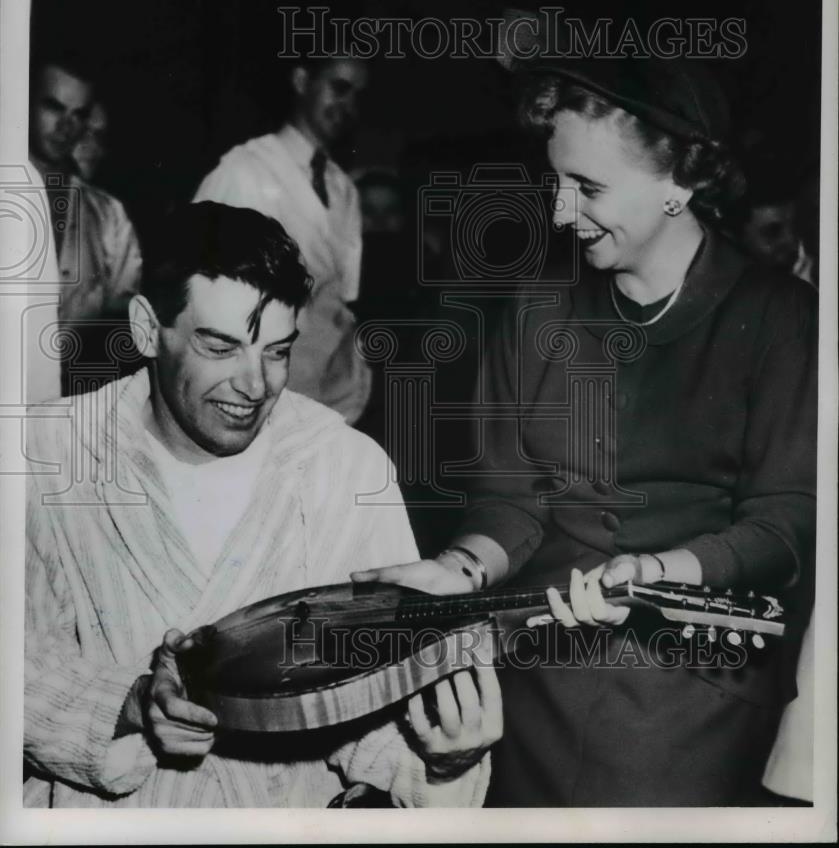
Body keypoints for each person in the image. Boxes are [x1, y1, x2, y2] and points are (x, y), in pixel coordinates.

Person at [354, 55, 817, 806]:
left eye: (589, 188)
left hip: (693, 684)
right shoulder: (538, 306)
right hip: (535, 664)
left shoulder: (779, 319)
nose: (562, 212)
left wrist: (657, 571)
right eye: (556, 183)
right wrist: (461, 568)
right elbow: (510, 495)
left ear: (681, 181)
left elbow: (786, 522)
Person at [24, 201, 501, 808]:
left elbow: (374, 709)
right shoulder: (46, 453)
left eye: (277, 351)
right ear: (147, 327)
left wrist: (444, 762)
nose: (256, 386)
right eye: (220, 347)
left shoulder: (345, 466)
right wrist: (130, 704)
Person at [193, 56, 371, 424]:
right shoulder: (245, 170)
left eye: (358, 95)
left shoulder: (345, 190)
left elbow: (344, 303)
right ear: (302, 80)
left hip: (328, 401)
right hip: (252, 398)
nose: (349, 106)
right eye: (339, 88)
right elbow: (196, 293)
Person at [29, 56, 142, 388]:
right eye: (53, 107)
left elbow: (122, 322)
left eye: (77, 114)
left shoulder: (108, 215)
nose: (65, 126)